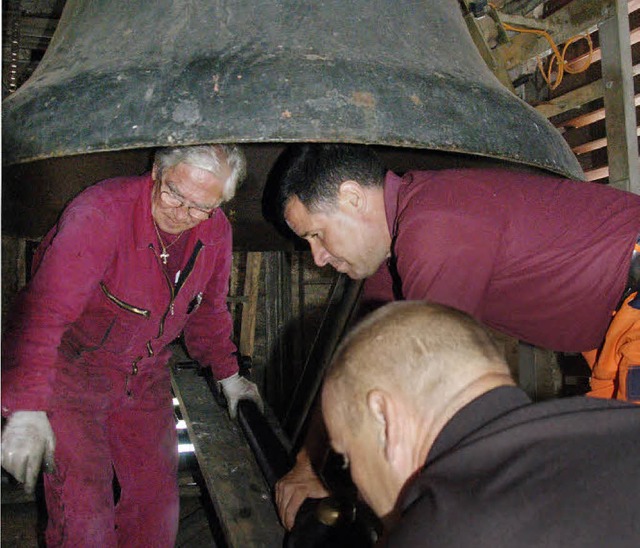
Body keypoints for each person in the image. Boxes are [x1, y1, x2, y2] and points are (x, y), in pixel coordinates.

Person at [272, 143, 640, 529]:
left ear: (351, 198)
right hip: (615, 335)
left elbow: (431, 396)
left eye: (317, 234)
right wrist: (309, 464)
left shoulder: (435, 226)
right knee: (600, 482)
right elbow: (355, 367)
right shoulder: (396, 256)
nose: (317, 257)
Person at [1, 144, 264, 547]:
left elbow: (209, 310)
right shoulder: (100, 215)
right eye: (175, 194)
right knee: (85, 519)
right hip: (72, 373)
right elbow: (44, 311)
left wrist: (228, 375)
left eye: (200, 207)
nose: (183, 213)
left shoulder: (214, 232)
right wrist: (26, 405)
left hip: (143, 376)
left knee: (156, 514)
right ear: (156, 173)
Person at [321, 301, 640, 546]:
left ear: (384, 417)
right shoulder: (621, 426)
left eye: (347, 455)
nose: (358, 489)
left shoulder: (448, 532)